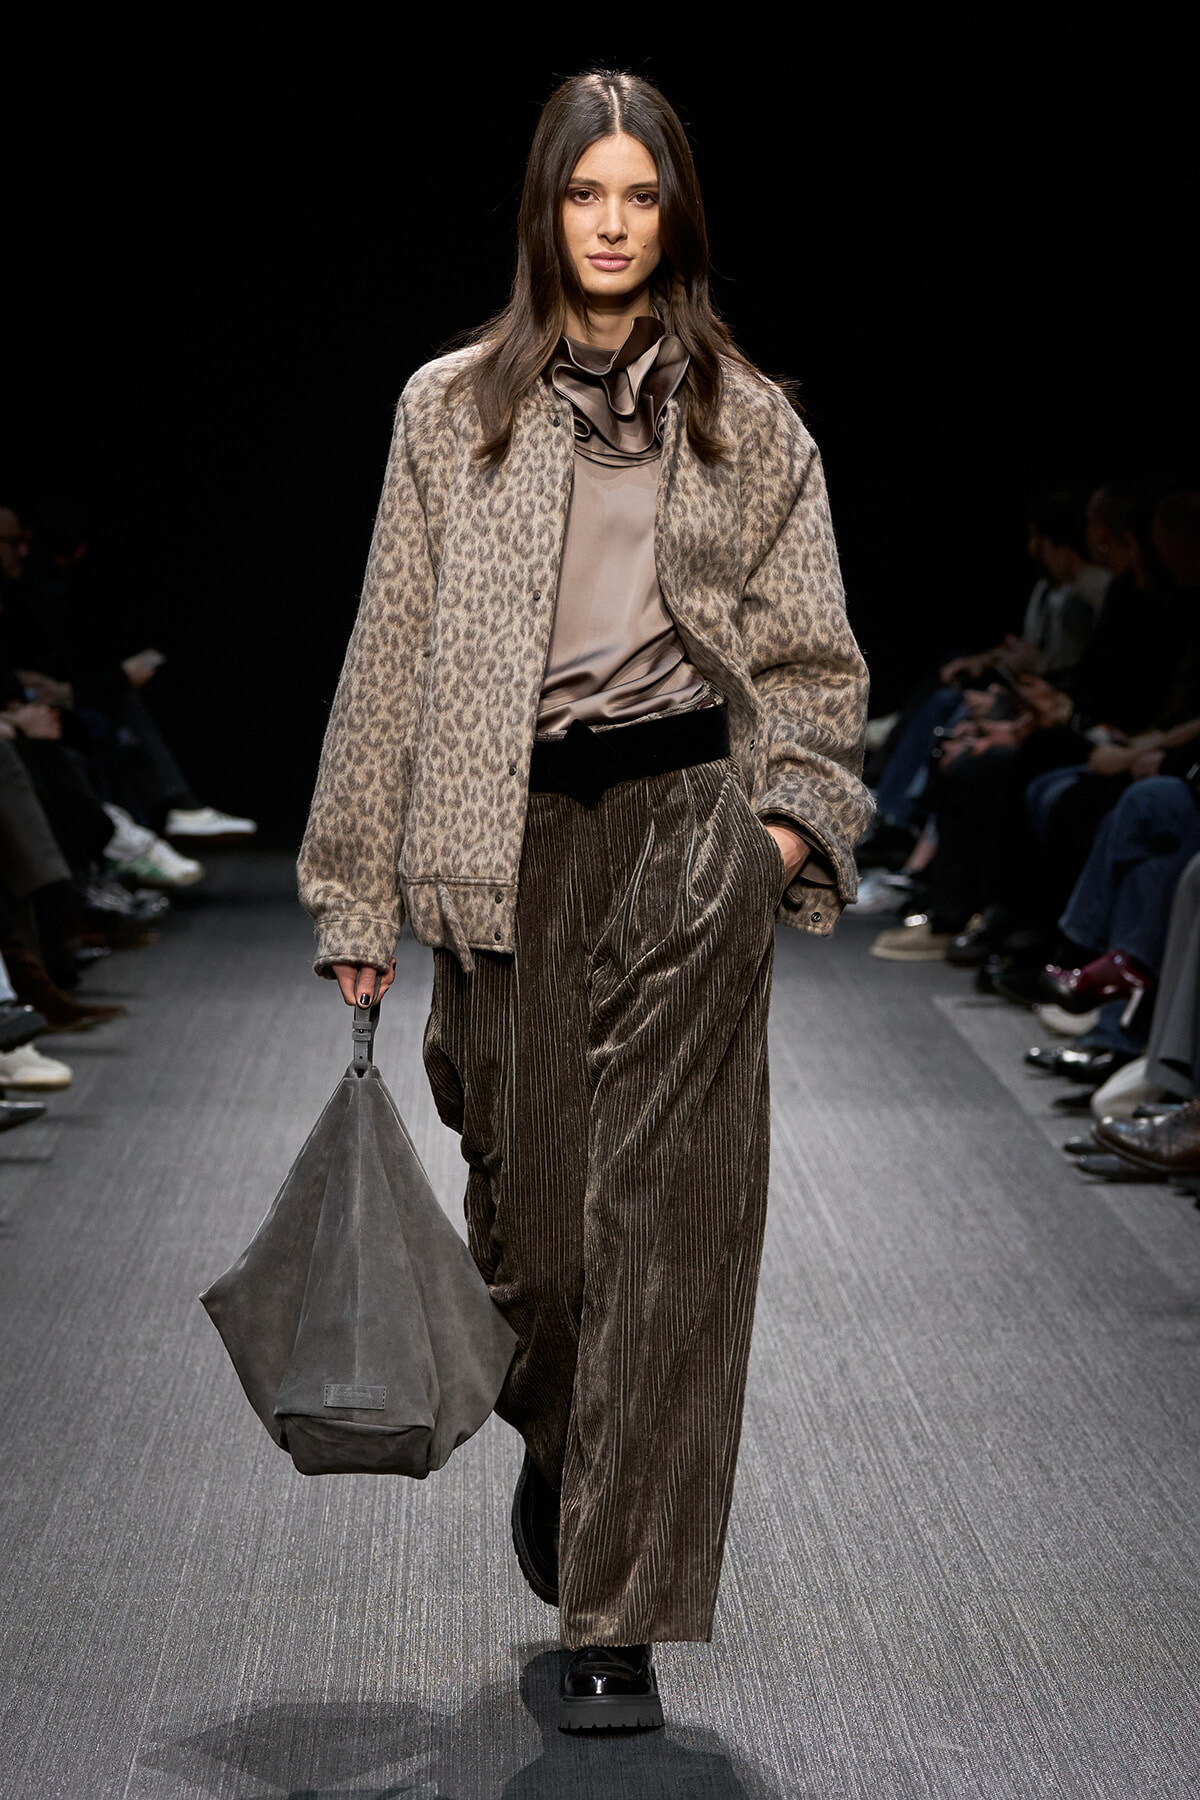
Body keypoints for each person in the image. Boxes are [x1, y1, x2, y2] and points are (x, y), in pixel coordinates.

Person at [298, 67, 871, 1735]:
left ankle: (618, 1608)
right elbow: (388, 653)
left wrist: (776, 839)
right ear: (544, 212)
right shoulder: (448, 407)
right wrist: (354, 894)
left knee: (670, 1233)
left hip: (689, 826)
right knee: (537, 1237)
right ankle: (562, 1433)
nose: (613, 226)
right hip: (505, 845)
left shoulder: (751, 421)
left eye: (641, 198)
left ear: (674, 214)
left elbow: (813, 663)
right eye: (583, 197)